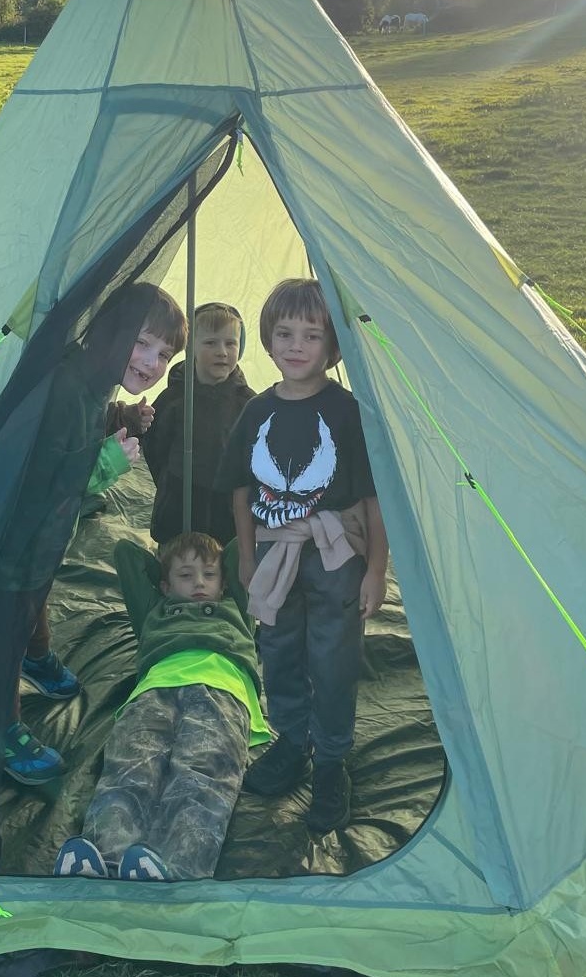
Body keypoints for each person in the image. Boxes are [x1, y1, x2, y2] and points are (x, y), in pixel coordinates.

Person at [217, 277, 388, 834]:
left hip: (335, 557)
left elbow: (372, 496)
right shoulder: (256, 413)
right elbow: (241, 489)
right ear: (266, 339)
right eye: (284, 333)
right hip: (273, 555)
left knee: (333, 661)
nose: (296, 345)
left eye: (312, 336)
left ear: (334, 348)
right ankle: (291, 743)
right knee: (279, 651)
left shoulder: (348, 412)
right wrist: (246, 559)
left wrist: (376, 571)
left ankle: (332, 761)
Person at [1, 282, 187, 785]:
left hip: (45, 538)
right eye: (143, 343)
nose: (151, 362)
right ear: (112, 330)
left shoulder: (94, 377)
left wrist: (123, 417)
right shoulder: (64, 385)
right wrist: (106, 461)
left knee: (37, 590)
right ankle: (1, 725)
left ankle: (36, 658)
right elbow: (45, 472)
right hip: (16, 535)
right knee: (7, 621)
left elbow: (92, 415)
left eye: (164, 354)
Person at [53, 532, 269, 880]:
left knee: (202, 772)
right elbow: (125, 554)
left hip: (221, 688)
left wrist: (207, 561)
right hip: (155, 688)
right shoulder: (156, 610)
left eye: (209, 575)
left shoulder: (236, 607)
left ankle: (179, 867)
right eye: (186, 575)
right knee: (131, 765)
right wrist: (168, 566)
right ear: (165, 585)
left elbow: (242, 548)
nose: (199, 582)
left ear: (225, 581)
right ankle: (106, 856)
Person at [141, 302, 255, 546]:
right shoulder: (174, 398)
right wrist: (170, 483)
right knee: (178, 555)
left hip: (227, 504)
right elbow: (155, 447)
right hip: (180, 499)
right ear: (191, 347)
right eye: (210, 342)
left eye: (230, 343)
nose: (222, 351)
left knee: (225, 560)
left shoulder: (247, 402)